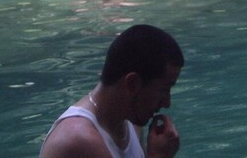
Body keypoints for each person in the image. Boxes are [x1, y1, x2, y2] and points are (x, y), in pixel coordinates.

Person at [40, 24, 184, 158]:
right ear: (132, 83)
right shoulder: (78, 140)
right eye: (164, 89)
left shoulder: (131, 124)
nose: (167, 102)